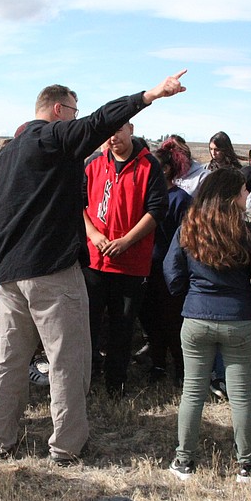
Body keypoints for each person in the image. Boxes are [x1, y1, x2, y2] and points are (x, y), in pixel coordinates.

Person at [0, 70, 188, 464]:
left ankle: (0, 438)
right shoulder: (52, 138)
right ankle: (66, 447)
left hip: (9, 274)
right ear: (59, 110)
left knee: (8, 356)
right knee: (68, 359)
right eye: (73, 112)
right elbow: (100, 122)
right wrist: (150, 95)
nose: (78, 121)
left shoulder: (6, 153)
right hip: (50, 272)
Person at [164, 168, 251, 482]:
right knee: (241, 396)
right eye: (244, 191)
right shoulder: (250, 234)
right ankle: (246, 465)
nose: (247, 196)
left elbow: (172, 273)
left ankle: (183, 462)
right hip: (239, 318)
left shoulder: (188, 229)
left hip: (196, 317)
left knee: (192, 392)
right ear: (231, 196)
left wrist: (187, 298)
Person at [82, 120, 167, 396]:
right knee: (88, 324)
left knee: (123, 325)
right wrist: (94, 234)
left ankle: (115, 382)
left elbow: (156, 210)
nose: (113, 137)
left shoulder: (148, 166)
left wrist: (127, 241)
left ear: (130, 129)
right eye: (108, 132)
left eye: (118, 129)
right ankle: (86, 376)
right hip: (95, 261)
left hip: (131, 263)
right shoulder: (93, 164)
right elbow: (78, 203)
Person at [138, 142, 192, 382]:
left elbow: (186, 239)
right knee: (152, 319)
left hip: (170, 271)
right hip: (146, 268)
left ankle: (181, 368)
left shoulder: (181, 199)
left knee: (173, 322)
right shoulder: (143, 197)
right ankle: (158, 365)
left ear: (167, 170)